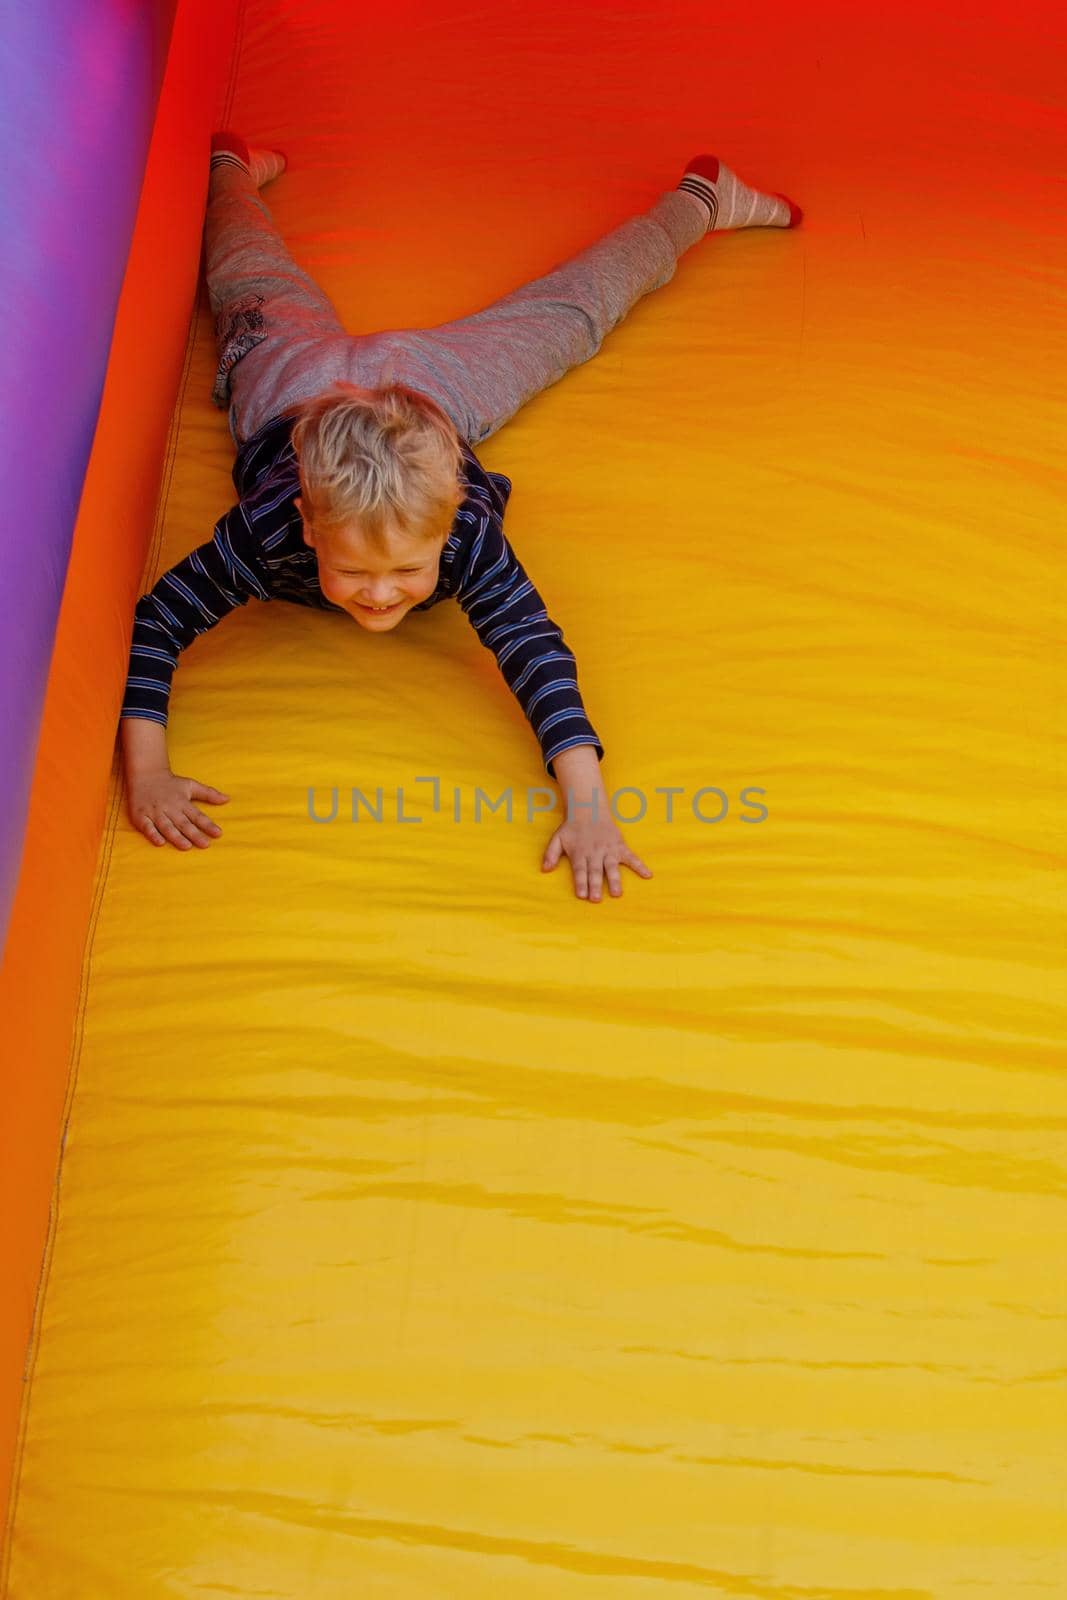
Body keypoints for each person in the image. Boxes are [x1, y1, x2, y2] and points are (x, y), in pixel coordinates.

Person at [119, 132, 802, 903]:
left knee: (571, 314)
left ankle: (701, 201)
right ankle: (229, 172)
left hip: (428, 387)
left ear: (446, 528)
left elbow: (529, 646)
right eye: (352, 571)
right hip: (294, 382)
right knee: (247, 277)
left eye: (407, 570)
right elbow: (158, 621)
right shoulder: (268, 529)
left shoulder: (466, 534)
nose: (379, 596)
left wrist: (587, 809)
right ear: (308, 526)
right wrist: (148, 775)